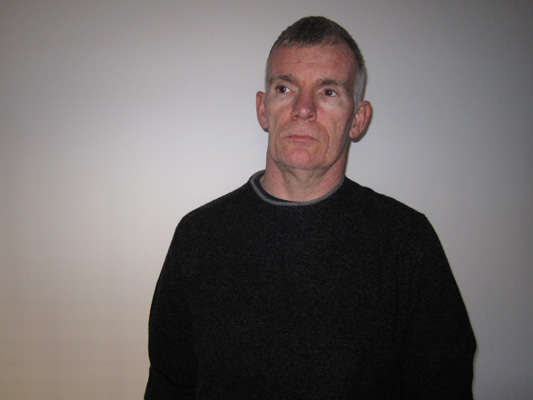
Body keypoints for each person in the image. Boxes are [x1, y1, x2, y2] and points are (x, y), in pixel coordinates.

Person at [145, 16, 476, 399]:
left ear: (357, 119)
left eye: (329, 91)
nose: (303, 109)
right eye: (285, 88)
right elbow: (169, 386)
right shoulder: (199, 237)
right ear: (263, 109)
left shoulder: (407, 242)